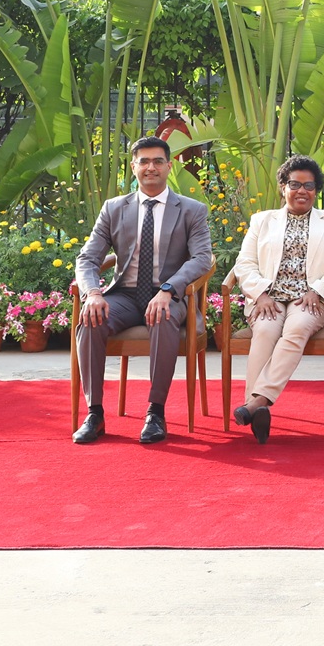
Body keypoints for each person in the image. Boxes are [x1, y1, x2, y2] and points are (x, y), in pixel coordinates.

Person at [73, 136, 214, 445]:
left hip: (169, 295)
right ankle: (94, 413)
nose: (151, 167)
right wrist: (93, 293)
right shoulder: (114, 208)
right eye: (144, 161)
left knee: (161, 316)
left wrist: (168, 289)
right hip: (124, 294)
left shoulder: (191, 210)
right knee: (90, 319)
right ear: (134, 166)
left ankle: (155, 412)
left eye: (158, 161)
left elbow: (202, 258)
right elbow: (88, 257)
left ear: (168, 166)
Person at [230, 155, 324, 444]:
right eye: (295, 184)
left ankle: (254, 402)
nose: (302, 191)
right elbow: (244, 263)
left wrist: (318, 291)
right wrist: (260, 294)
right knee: (264, 330)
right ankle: (258, 407)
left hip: (312, 301)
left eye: (309, 185)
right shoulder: (262, 221)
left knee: (296, 327)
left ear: (317, 189)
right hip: (270, 299)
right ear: (283, 188)